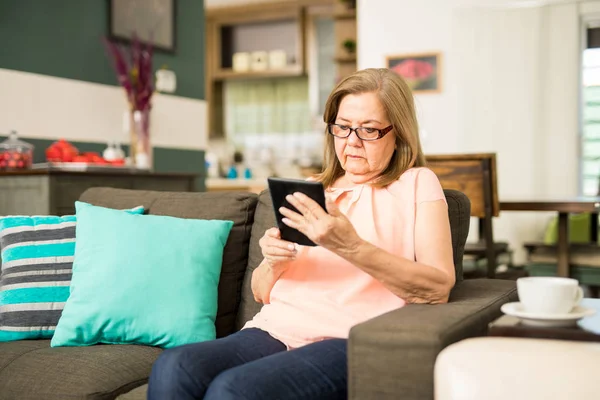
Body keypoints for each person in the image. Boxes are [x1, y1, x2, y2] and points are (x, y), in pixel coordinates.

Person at [147, 68, 455, 400]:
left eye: (368, 130)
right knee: (174, 366)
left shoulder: (416, 184)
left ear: (399, 133)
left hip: (349, 337)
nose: (351, 141)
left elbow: (438, 287)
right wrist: (272, 264)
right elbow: (261, 293)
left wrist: (350, 246)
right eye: (342, 127)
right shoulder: (310, 190)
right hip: (276, 327)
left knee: (233, 390)